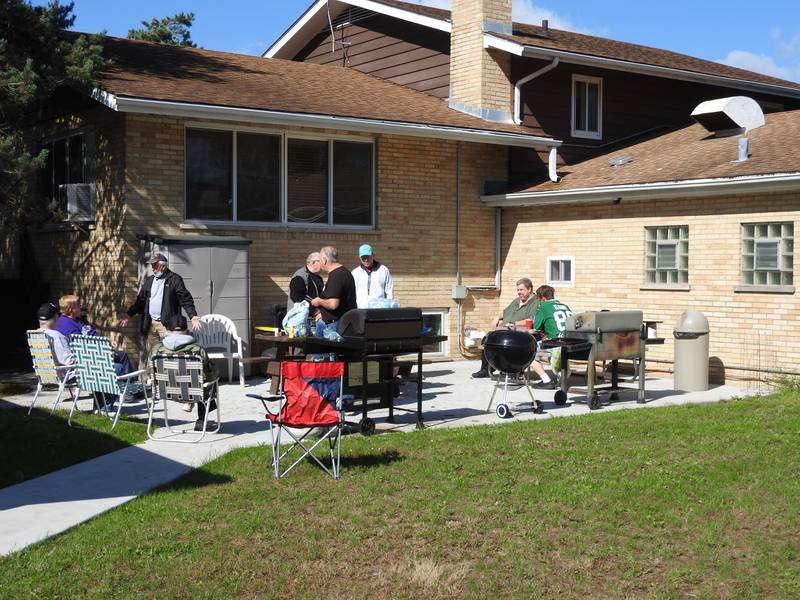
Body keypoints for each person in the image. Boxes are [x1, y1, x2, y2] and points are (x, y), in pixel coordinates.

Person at [119, 252, 201, 358]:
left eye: (155, 265)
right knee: (153, 354)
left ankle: (167, 374)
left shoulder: (174, 279)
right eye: (152, 265)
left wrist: (193, 315)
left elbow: (185, 299)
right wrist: (129, 314)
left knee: (168, 354)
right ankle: (155, 374)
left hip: (166, 325)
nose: (153, 268)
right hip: (151, 324)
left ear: (163, 266)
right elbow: (140, 302)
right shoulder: (149, 280)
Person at [148, 314, 218, 431]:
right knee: (207, 381)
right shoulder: (197, 350)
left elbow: (150, 370)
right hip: (193, 392)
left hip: (165, 391)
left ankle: (191, 405)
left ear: (168, 329)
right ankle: (201, 420)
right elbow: (209, 371)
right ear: (186, 330)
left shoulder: (157, 349)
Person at [472, 278, 540, 379]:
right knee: (486, 339)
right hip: (505, 330)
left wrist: (514, 323)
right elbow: (505, 312)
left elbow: (533, 320)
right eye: (518, 290)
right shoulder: (517, 301)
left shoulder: (535, 302)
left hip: (520, 334)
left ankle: (513, 369)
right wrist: (497, 317)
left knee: (509, 345)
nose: (519, 292)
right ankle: (486, 369)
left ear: (529, 289)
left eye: (521, 290)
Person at [56, 294, 131, 375]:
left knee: (122, 355)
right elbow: (82, 347)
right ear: (71, 310)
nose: (81, 306)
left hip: (94, 353)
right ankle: (126, 384)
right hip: (85, 362)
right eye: (78, 305)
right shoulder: (65, 325)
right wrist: (104, 352)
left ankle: (129, 383)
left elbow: (92, 333)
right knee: (119, 367)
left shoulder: (80, 320)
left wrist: (107, 341)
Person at [530, 284, 573, 389]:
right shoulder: (564, 306)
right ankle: (560, 376)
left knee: (528, 352)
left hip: (557, 342)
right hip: (571, 341)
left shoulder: (543, 306)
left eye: (539, 300)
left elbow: (537, 327)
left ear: (543, 298)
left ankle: (546, 380)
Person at [310, 246, 357, 324]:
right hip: (344, 322)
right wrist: (323, 314)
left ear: (324, 260)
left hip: (335, 325)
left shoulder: (336, 276)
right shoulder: (345, 272)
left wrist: (319, 301)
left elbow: (333, 304)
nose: (320, 263)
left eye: (320, 260)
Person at [352, 244, 394, 309]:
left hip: (379, 311)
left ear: (373, 255)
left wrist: (389, 309)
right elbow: (352, 294)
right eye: (363, 257)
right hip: (361, 310)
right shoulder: (355, 273)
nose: (366, 260)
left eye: (368, 257)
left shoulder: (383, 270)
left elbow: (389, 292)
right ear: (359, 258)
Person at [37, 302, 74, 367]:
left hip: (45, 374)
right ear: (56, 317)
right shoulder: (56, 336)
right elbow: (69, 361)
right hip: (64, 375)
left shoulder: (36, 335)